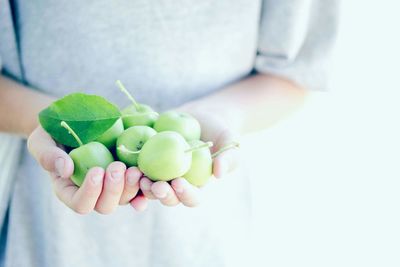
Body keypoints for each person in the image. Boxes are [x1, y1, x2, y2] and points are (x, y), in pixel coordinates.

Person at [0, 1, 338, 266]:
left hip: (206, 238)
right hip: (43, 232)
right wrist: (46, 122)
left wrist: (219, 115)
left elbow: (296, 74)